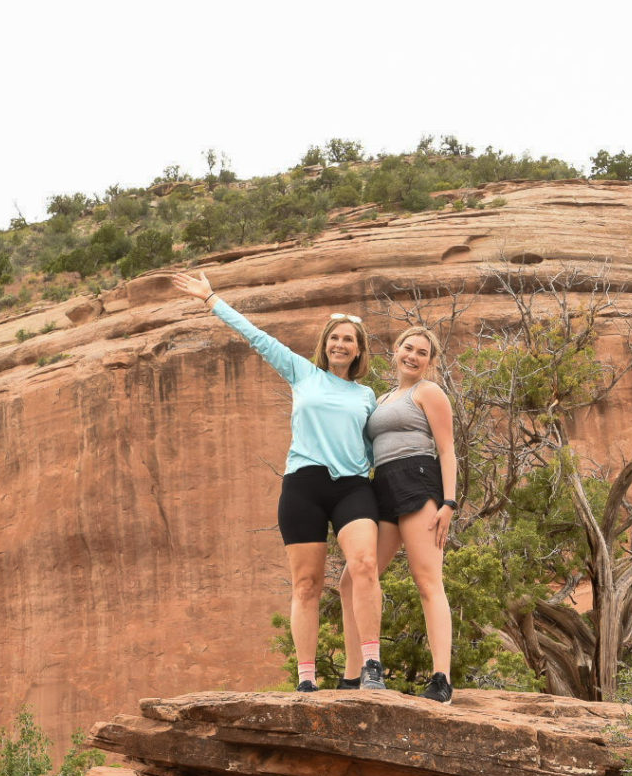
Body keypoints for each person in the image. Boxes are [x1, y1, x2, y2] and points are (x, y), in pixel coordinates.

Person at [172, 270, 386, 692]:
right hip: (304, 486)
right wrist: (210, 298)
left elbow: (376, 447)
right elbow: (255, 335)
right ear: (325, 343)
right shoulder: (302, 373)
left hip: (353, 487)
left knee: (364, 565)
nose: (340, 344)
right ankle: (307, 679)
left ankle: (371, 666)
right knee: (306, 585)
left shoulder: (366, 396)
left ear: (360, 350)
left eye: (349, 340)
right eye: (334, 338)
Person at [339, 326, 457, 703]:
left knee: (427, 581)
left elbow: (447, 449)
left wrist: (449, 503)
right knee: (353, 578)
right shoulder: (384, 397)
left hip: (418, 481)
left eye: (422, 353)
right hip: (382, 486)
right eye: (408, 348)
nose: (413, 356)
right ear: (395, 350)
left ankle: (442, 679)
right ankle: (356, 672)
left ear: (430, 362)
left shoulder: (429, 392)